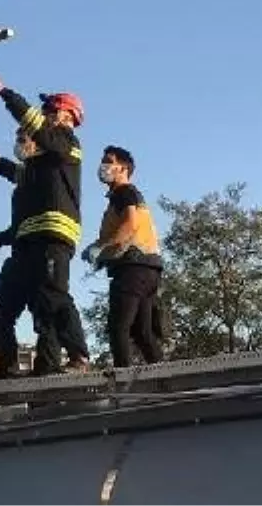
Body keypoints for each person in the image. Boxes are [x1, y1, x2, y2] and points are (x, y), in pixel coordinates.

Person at [0, 72, 90, 374]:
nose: (44, 114)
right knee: (5, 312)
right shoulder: (37, 166)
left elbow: (41, 132)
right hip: (26, 244)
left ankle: (78, 356)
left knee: (52, 299)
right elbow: (17, 173)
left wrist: (9, 96)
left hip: (53, 237)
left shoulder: (68, 143)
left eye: (49, 109)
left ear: (66, 114)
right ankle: (14, 368)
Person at [81, 146, 165, 368]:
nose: (103, 166)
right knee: (141, 332)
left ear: (123, 168)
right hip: (149, 270)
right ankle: (166, 378)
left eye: (109, 161)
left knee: (119, 327)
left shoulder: (124, 192)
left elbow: (131, 225)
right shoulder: (125, 196)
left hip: (133, 269)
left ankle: (123, 382)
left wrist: (101, 247)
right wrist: (104, 255)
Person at [0, 130, 37, 379]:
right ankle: (9, 368)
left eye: (24, 140)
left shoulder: (43, 177)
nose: (19, 145)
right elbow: (15, 173)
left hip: (39, 254)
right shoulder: (24, 183)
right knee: (0, 318)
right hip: (19, 255)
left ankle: (51, 362)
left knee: (44, 314)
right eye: (18, 140)